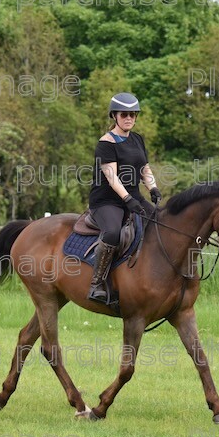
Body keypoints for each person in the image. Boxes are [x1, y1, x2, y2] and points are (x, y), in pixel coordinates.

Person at [87, 92, 161, 303]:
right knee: (112, 232)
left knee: (160, 222)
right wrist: (128, 199)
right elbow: (112, 177)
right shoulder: (106, 143)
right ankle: (97, 283)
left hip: (134, 197)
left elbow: (144, 168)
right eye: (124, 114)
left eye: (133, 115)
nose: (129, 118)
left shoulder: (137, 139)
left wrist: (153, 187)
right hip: (106, 201)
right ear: (114, 116)